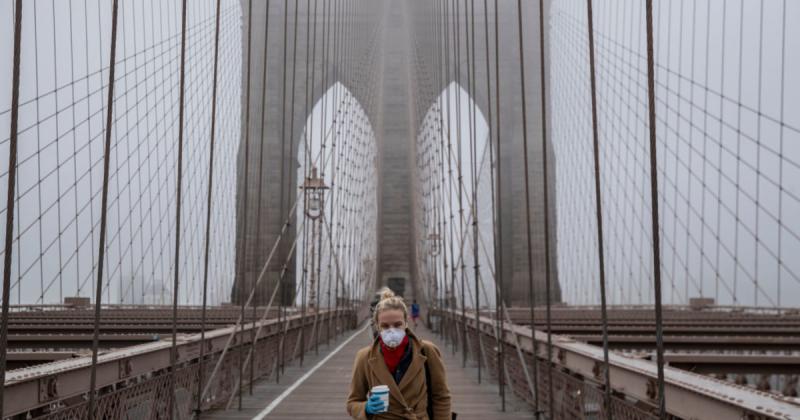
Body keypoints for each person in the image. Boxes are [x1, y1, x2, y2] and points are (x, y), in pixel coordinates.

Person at [347, 289, 452, 420]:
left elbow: (441, 396)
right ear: (377, 327)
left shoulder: (427, 351)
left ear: (406, 323)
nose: (392, 330)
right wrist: (366, 408)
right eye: (385, 326)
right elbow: (352, 403)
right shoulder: (364, 357)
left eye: (397, 325)